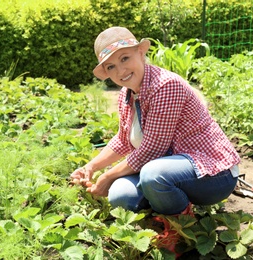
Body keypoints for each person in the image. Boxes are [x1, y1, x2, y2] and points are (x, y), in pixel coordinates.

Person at [70, 26, 240, 219]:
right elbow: (123, 141)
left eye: (125, 58)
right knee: (120, 196)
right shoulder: (127, 95)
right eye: (111, 66)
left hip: (212, 174)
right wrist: (90, 167)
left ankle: (181, 224)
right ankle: (163, 210)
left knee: (153, 175)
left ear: (140, 53)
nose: (121, 70)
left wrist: (108, 176)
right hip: (169, 169)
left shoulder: (165, 86)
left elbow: (153, 149)